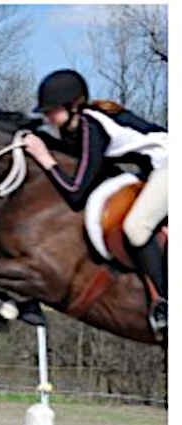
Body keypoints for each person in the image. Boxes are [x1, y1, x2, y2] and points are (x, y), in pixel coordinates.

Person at [23, 69, 168, 333]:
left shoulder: (92, 127)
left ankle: (164, 302)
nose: (47, 117)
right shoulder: (78, 126)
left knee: (136, 227)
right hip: (151, 170)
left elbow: (76, 192)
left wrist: (46, 159)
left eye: (52, 110)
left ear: (74, 106)